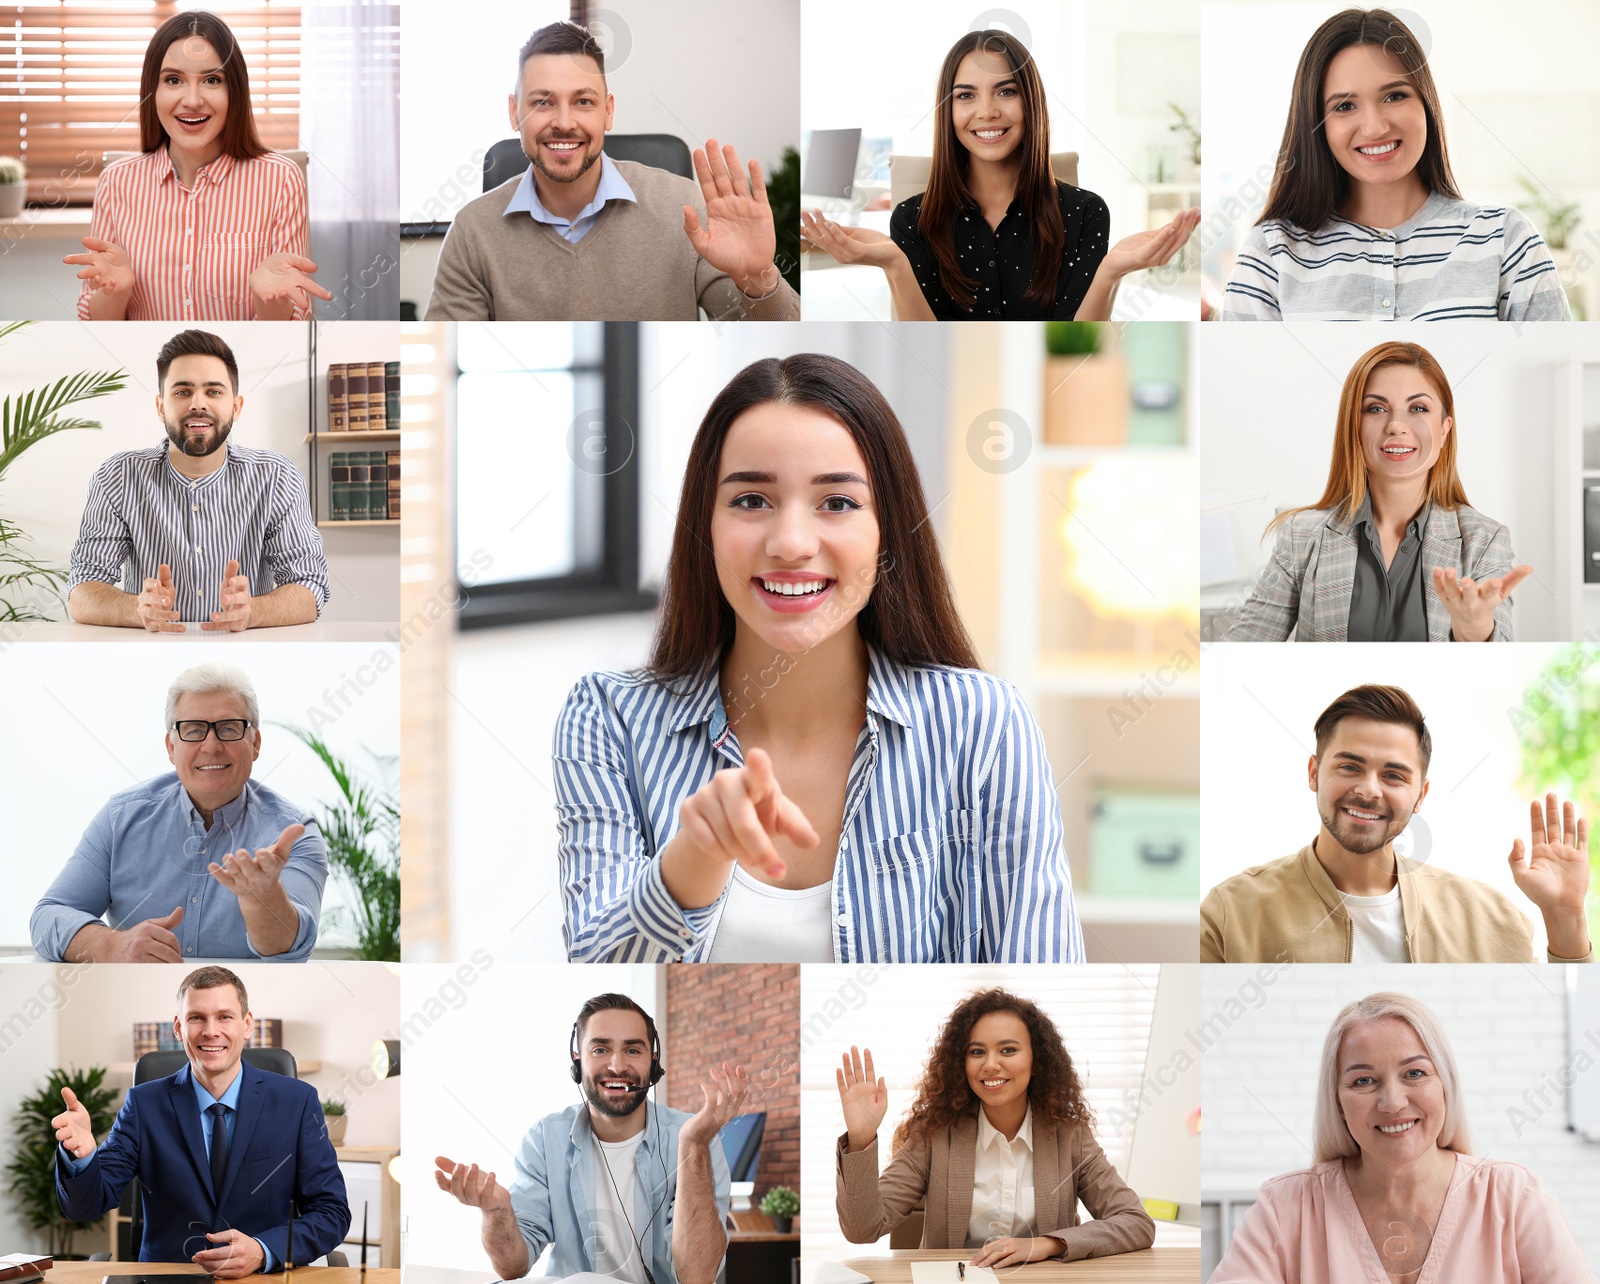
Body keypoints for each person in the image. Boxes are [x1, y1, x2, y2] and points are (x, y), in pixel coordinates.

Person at [554, 353, 1084, 964]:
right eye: (751, 500)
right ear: (705, 522)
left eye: (837, 503)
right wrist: (691, 861)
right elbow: (598, 981)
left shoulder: (982, 723)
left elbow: (1038, 985)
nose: (791, 544)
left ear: (887, 527)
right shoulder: (608, 718)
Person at [802, 29, 1198, 321]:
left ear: (1031, 102)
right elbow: (925, 353)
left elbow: (1075, 352)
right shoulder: (911, 220)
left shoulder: (1086, 213)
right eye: (966, 95)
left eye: (1006, 92)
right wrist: (893, 263)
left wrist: (1111, 272)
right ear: (948, 109)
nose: (987, 111)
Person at [425, 22, 798, 322]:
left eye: (583, 101)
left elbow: (775, 340)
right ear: (513, 112)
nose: (565, 122)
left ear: (608, 112)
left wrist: (758, 279)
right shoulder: (472, 232)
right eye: (542, 102)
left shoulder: (685, 208)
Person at [1210, 992, 1593, 1283]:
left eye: (1414, 1074)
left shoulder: (1512, 1196)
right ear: (1337, 1101)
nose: (1392, 1102)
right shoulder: (1283, 1207)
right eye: (1363, 1080)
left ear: (1446, 1084)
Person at [1199, 684, 1593, 963]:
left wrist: (1565, 918)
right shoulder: (1231, 913)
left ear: (1420, 795)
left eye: (1393, 776)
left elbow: (1552, 1030)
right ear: (1313, 773)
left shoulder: (1492, 917)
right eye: (1350, 767)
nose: (1368, 791)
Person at [1218, 8, 1569, 321]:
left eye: (1395, 96)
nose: (1375, 127)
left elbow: (1556, 383)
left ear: (1426, 104)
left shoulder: (1505, 238)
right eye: (1344, 106)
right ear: (1315, 123)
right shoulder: (1271, 250)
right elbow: (1239, 387)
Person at [53, 967, 351, 1275]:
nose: (211, 1031)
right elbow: (85, 1207)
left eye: (224, 1016)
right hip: (169, 1280)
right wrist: (85, 1156)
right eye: (197, 1018)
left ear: (247, 1024)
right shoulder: (143, 1105)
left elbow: (332, 1213)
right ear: (179, 1028)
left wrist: (264, 1250)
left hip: (261, 1279)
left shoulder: (296, 1102)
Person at [1225, 341, 1529, 642]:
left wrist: (1473, 626)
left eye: (1418, 408)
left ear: (1444, 429)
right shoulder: (1301, 536)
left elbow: (1495, 651)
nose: (1396, 425)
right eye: (1376, 408)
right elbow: (1239, 649)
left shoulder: (1484, 539)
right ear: (1353, 426)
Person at [31, 663, 327, 963]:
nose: (211, 746)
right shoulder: (119, 819)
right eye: (194, 730)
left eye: (228, 728)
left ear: (255, 743)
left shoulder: (294, 833)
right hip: (134, 1006)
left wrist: (262, 897)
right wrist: (113, 945)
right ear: (171, 746)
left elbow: (291, 949)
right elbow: (48, 917)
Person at [834, 988, 1154, 1266]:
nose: (990, 1064)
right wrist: (861, 1139)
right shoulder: (934, 1133)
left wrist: (1046, 1244)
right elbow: (862, 1229)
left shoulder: (1069, 1136)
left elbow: (1136, 1223)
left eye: (1008, 1050)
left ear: (1036, 1059)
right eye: (977, 1052)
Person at [433, 993, 737, 1284]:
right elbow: (512, 1267)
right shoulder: (544, 1139)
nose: (617, 1066)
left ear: (653, 1062)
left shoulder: (696, 1140)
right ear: (577, 1059)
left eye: (633, 1050)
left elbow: (698, 1276)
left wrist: (694, 1146)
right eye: (600, 1049)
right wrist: (496, 1211)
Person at [64, 10, 331, 322]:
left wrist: (269, 300)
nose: (192, 100)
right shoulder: (116, 181)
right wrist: (115, 291)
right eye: (173, 80)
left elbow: (294, 329)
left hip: (243, 367)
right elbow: (96, 326)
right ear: (153, 90)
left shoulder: (281, 179)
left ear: (235, 91)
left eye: (212, 79)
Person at [66, 328, 329, 631]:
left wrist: (252, 611)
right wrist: (136, 609)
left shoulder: (277, 477)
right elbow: (83, 588)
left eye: (214, 391)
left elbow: (310, 586)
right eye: (182, 392)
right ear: (160, 406)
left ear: (236, 406)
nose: (198, 404)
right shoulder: (117, 477)